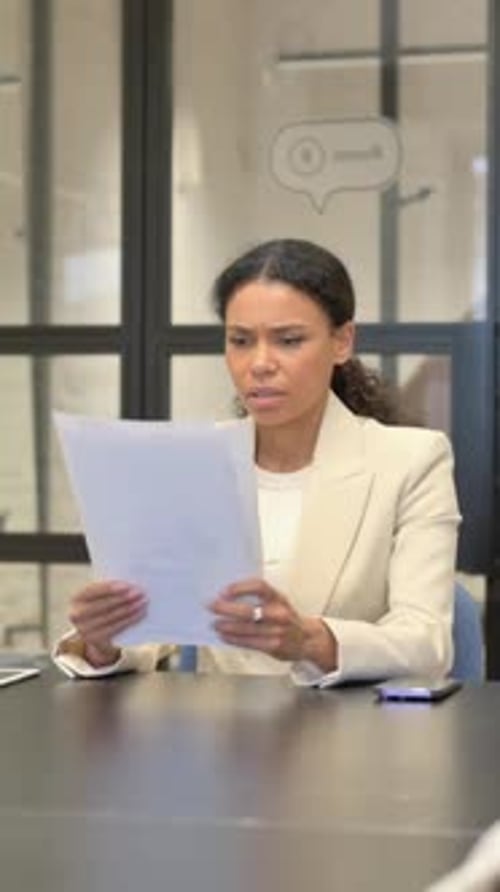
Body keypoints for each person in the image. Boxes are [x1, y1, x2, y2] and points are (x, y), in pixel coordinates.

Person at [54, 238, 461, 685]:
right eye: (241, 341)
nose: (260, 363)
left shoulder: (411, 460)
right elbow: (152, 636)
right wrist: (102, 640)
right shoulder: (194, 463)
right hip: (218, 737)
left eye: (289, 340)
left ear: (342, 341)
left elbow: (427, 643)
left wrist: (308, 640)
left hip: (350, 735)